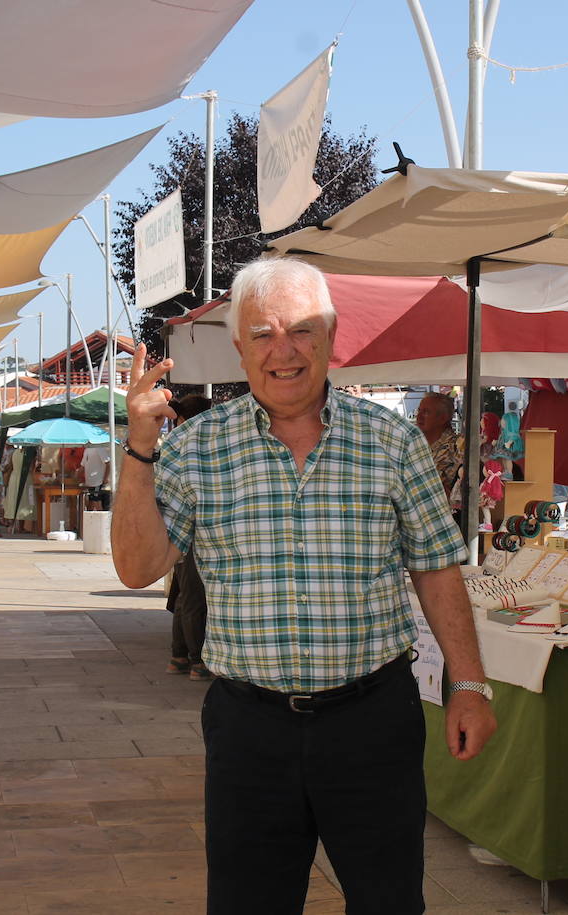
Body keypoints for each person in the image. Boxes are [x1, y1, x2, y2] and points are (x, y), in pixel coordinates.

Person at [112, 257, 496, 914]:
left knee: (389, 902)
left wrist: (469, 684)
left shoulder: (392, 442)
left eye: (302, 330)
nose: (283, 350)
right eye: (263, 333)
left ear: (331, 335)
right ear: (239, 347)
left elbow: (435, 566)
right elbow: (136, 566)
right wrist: (140, 445)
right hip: (249, 730)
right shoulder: (195, 448)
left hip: (372, 722)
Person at [163, 394, 211, 681]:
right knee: (194, 597)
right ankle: (197, 661)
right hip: (193, 527)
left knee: (183, 594)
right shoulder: (190, 443)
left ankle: (179, 655)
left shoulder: (175, 442)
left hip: (178, 529)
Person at [415, 391, 463, 500]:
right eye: (419, 411)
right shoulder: (414, 446)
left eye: (426, 412)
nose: (419, 416)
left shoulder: (458, 446)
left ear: (443, 418)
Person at [80, 444, 110, 511]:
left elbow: (108, 464)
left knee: (97, 503)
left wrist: (105, 478)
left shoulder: (99, 448)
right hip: (89, 483)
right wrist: (75, 477)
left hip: (98, 482)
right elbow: (82, 466)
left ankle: (102, 521)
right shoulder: (86, 450)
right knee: (90, 504)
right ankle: (89, 521)